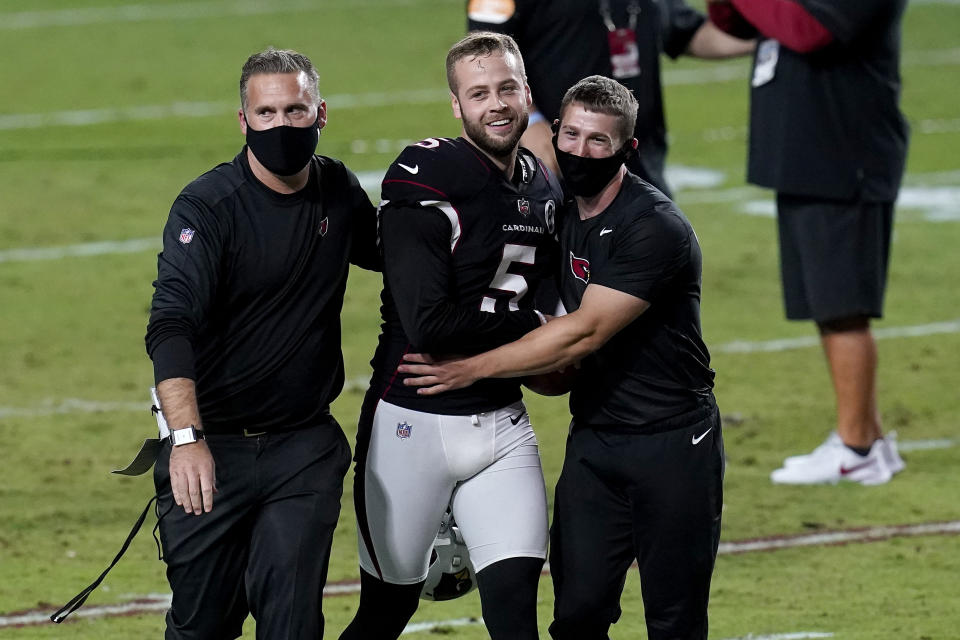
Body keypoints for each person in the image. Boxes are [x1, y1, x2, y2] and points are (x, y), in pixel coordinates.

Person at [400, 75, 723, 640]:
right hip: (596, 440)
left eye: (599, 141)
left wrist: (470, 368)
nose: (579, 150)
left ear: (628, 150)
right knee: (576, 616)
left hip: (672, 445)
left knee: (674, 620)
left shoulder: (652, 227)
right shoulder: (558, 212)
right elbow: (549, 339)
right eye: (570, 134)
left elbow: (582, 333)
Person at [144, 47, 378, 638]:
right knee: (203, 625)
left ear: (321, 113)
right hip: (211, 451)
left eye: (295, 110)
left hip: (303, 447)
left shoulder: (337, 191)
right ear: (242, 121)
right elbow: (170, 325)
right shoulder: (209, 206)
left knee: (293, 621)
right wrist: (187, 439)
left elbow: (400, 260)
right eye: (267, 113)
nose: (281, 125)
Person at [339, 32, 563, 640]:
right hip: (411, 422)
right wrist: (538, 331)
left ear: (527, 93)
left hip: (502, 426)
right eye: (479, 93)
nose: (496, 104)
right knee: (386, 613)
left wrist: (549, 346)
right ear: (456, 106)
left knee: (517, 618)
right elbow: (429, 326)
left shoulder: (540, 183)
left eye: (507, 89)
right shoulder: (428, 172)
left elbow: (544, 316)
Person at [707, 0, 908, 485]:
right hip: (807, 154)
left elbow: (809, 31)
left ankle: (857, 446)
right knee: (827, 304)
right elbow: (732, 21)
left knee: (843, 305)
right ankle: (869, 439)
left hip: (843, 152)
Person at [467, 0, 755, 195]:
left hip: (638, 167)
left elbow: (686, 31)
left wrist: (773, 32)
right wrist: (530, 122)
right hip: (557, 166)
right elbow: (482, 54)